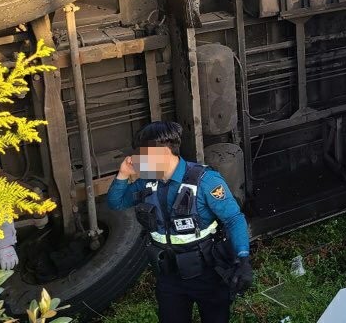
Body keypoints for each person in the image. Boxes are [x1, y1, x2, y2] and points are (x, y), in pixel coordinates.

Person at [107, 121, 252, 323]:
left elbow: (234, 219)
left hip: (207, 273)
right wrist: (123, 175)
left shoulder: (205, 180)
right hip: (169, 276)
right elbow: (116, 202)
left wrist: (243, 258)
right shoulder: (147, 180)